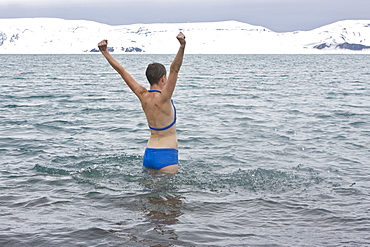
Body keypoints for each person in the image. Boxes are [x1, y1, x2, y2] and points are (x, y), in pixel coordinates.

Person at [98, 32, 186, 174]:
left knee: (149, 195)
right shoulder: (164, 98)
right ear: (163, 79)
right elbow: (175, 69)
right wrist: (182, 46)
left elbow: (122, 71)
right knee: (170, 195)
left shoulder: (143, 95)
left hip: (149, 153)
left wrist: (104, 52)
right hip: (166, 154)